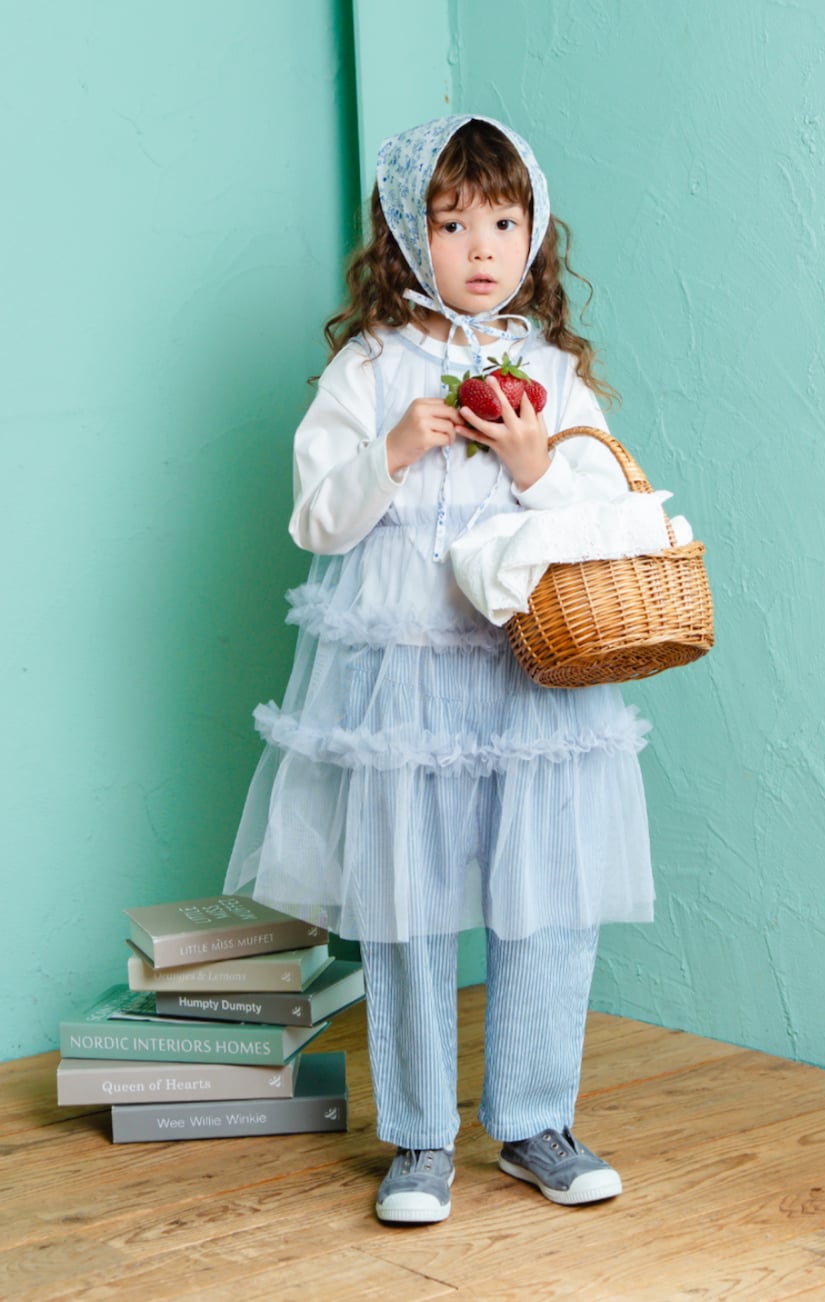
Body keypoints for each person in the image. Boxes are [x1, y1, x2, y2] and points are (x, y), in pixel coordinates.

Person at [225, 115, 655, 1225]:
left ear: (534, 234)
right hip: (406, 685)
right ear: (410, 240)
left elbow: (609, 517)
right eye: (453, 223)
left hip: (530, 677)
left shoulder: (552, 374)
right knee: (405, 904)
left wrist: (533, 467)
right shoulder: (370, 368)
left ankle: (535, 1120)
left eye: (504, 223)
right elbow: (316, 520)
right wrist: (396, 446)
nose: (481, 248)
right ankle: (418, 1138)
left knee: (544, 898)